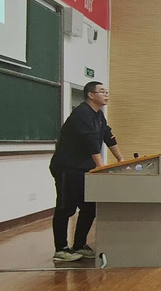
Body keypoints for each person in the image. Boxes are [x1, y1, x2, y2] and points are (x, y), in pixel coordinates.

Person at [50, 81, 124, 262]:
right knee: (65, 208)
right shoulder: (82, 114)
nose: (106, 95)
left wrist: (121, 160)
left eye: (107, 91)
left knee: (90, 207)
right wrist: (101, 167)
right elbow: (90, 142)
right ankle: (61, 249)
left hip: (84, 169)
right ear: (91, 95)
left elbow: (108, 136)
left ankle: (79, 245)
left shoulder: (99, 115)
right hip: (67, 168)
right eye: (102, 91)